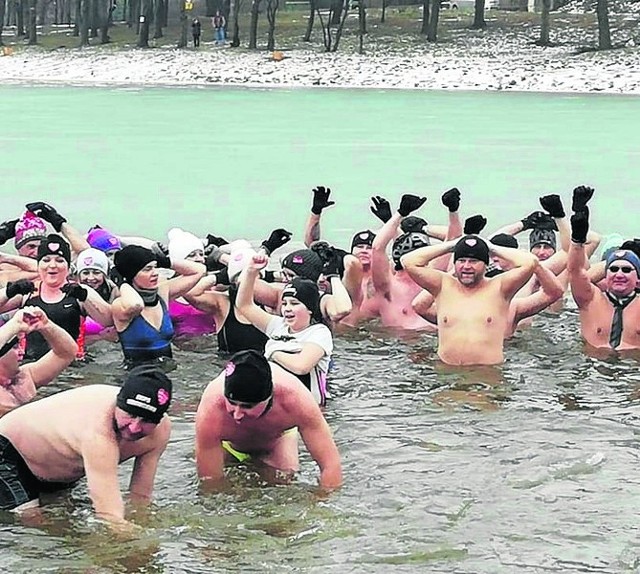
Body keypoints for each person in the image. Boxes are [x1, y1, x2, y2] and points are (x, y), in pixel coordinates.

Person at [0, 366, 172, 529]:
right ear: (118, 405)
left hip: (56, 469)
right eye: (131, 415)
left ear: (159, 420)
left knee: (63, 525)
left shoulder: (160, 432)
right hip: (7, 452)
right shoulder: (98, 432)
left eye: (147, 421)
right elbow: (109, 516)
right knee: (36, 526)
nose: (134, 427)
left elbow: (140, 497)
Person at [195, 350, 342, 489]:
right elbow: (210, 485)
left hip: (276, 442)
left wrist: (323, 504)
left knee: (282, 486)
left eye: (248, 406)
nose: (237, 414)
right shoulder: (211, 408)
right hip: (227, 446)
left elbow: (330, 465)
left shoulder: (295, 400)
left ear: (269, 398)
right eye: (232, 403)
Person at [401, 234, 537, 365]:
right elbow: (408, 261)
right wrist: (452, 245)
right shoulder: (443, 285)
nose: (466, 266)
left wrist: (491, 248)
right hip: (448, 373)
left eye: (473, 261)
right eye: (461, 260)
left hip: (487, 374)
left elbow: (530, 262)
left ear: (485, 265)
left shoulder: (500, 288)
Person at [236, 253, 333, 405]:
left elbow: (301, 366)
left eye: (294, 303)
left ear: (309, 309)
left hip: (309, 409)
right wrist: (250, 271)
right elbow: (245, 305)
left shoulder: (319, 332)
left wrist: (272, 353)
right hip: (277, 406)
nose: (287, 309)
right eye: (285, 303)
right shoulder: (277, 325)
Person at [0, 234, 113, 361]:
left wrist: (84, 296)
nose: (52, 265)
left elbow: (108, 320)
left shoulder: (81, 291)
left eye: (59, 260)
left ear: (68, 268)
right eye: (46, 260)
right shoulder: (28, 292)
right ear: (38, 266)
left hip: (72, 367)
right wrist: (10, 291)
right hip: (31, 364)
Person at [111, 244, 206, 366]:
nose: (155, 273)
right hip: (136, 376)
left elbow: (199, 270)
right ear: (131, 275)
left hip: (168, 372)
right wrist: (121, 282)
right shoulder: (120, 305)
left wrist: (162, 260)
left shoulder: (161, 293)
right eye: (147, 269)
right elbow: (136, 305)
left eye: (155, 267)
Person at [567, 194, 640, 351]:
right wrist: (577, 239)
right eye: (613, 269)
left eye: (627, 270)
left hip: (633, 372)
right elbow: (575, 272)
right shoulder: (590, 300)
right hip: (594, 371)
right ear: (605, 276)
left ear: (638, 280)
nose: (619, 274)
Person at [0, 306, 77, 416]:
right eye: (16, 347)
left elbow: (67, 353)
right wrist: (14, 325)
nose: (22, 351)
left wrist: (46, 325)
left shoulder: (26, 377)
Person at [166, 228, 217, 338]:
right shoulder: (166, 291)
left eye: (201, 254)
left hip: (213, 350)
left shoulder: (213, 287)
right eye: (192, 255)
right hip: (182, 353)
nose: (199, 259)